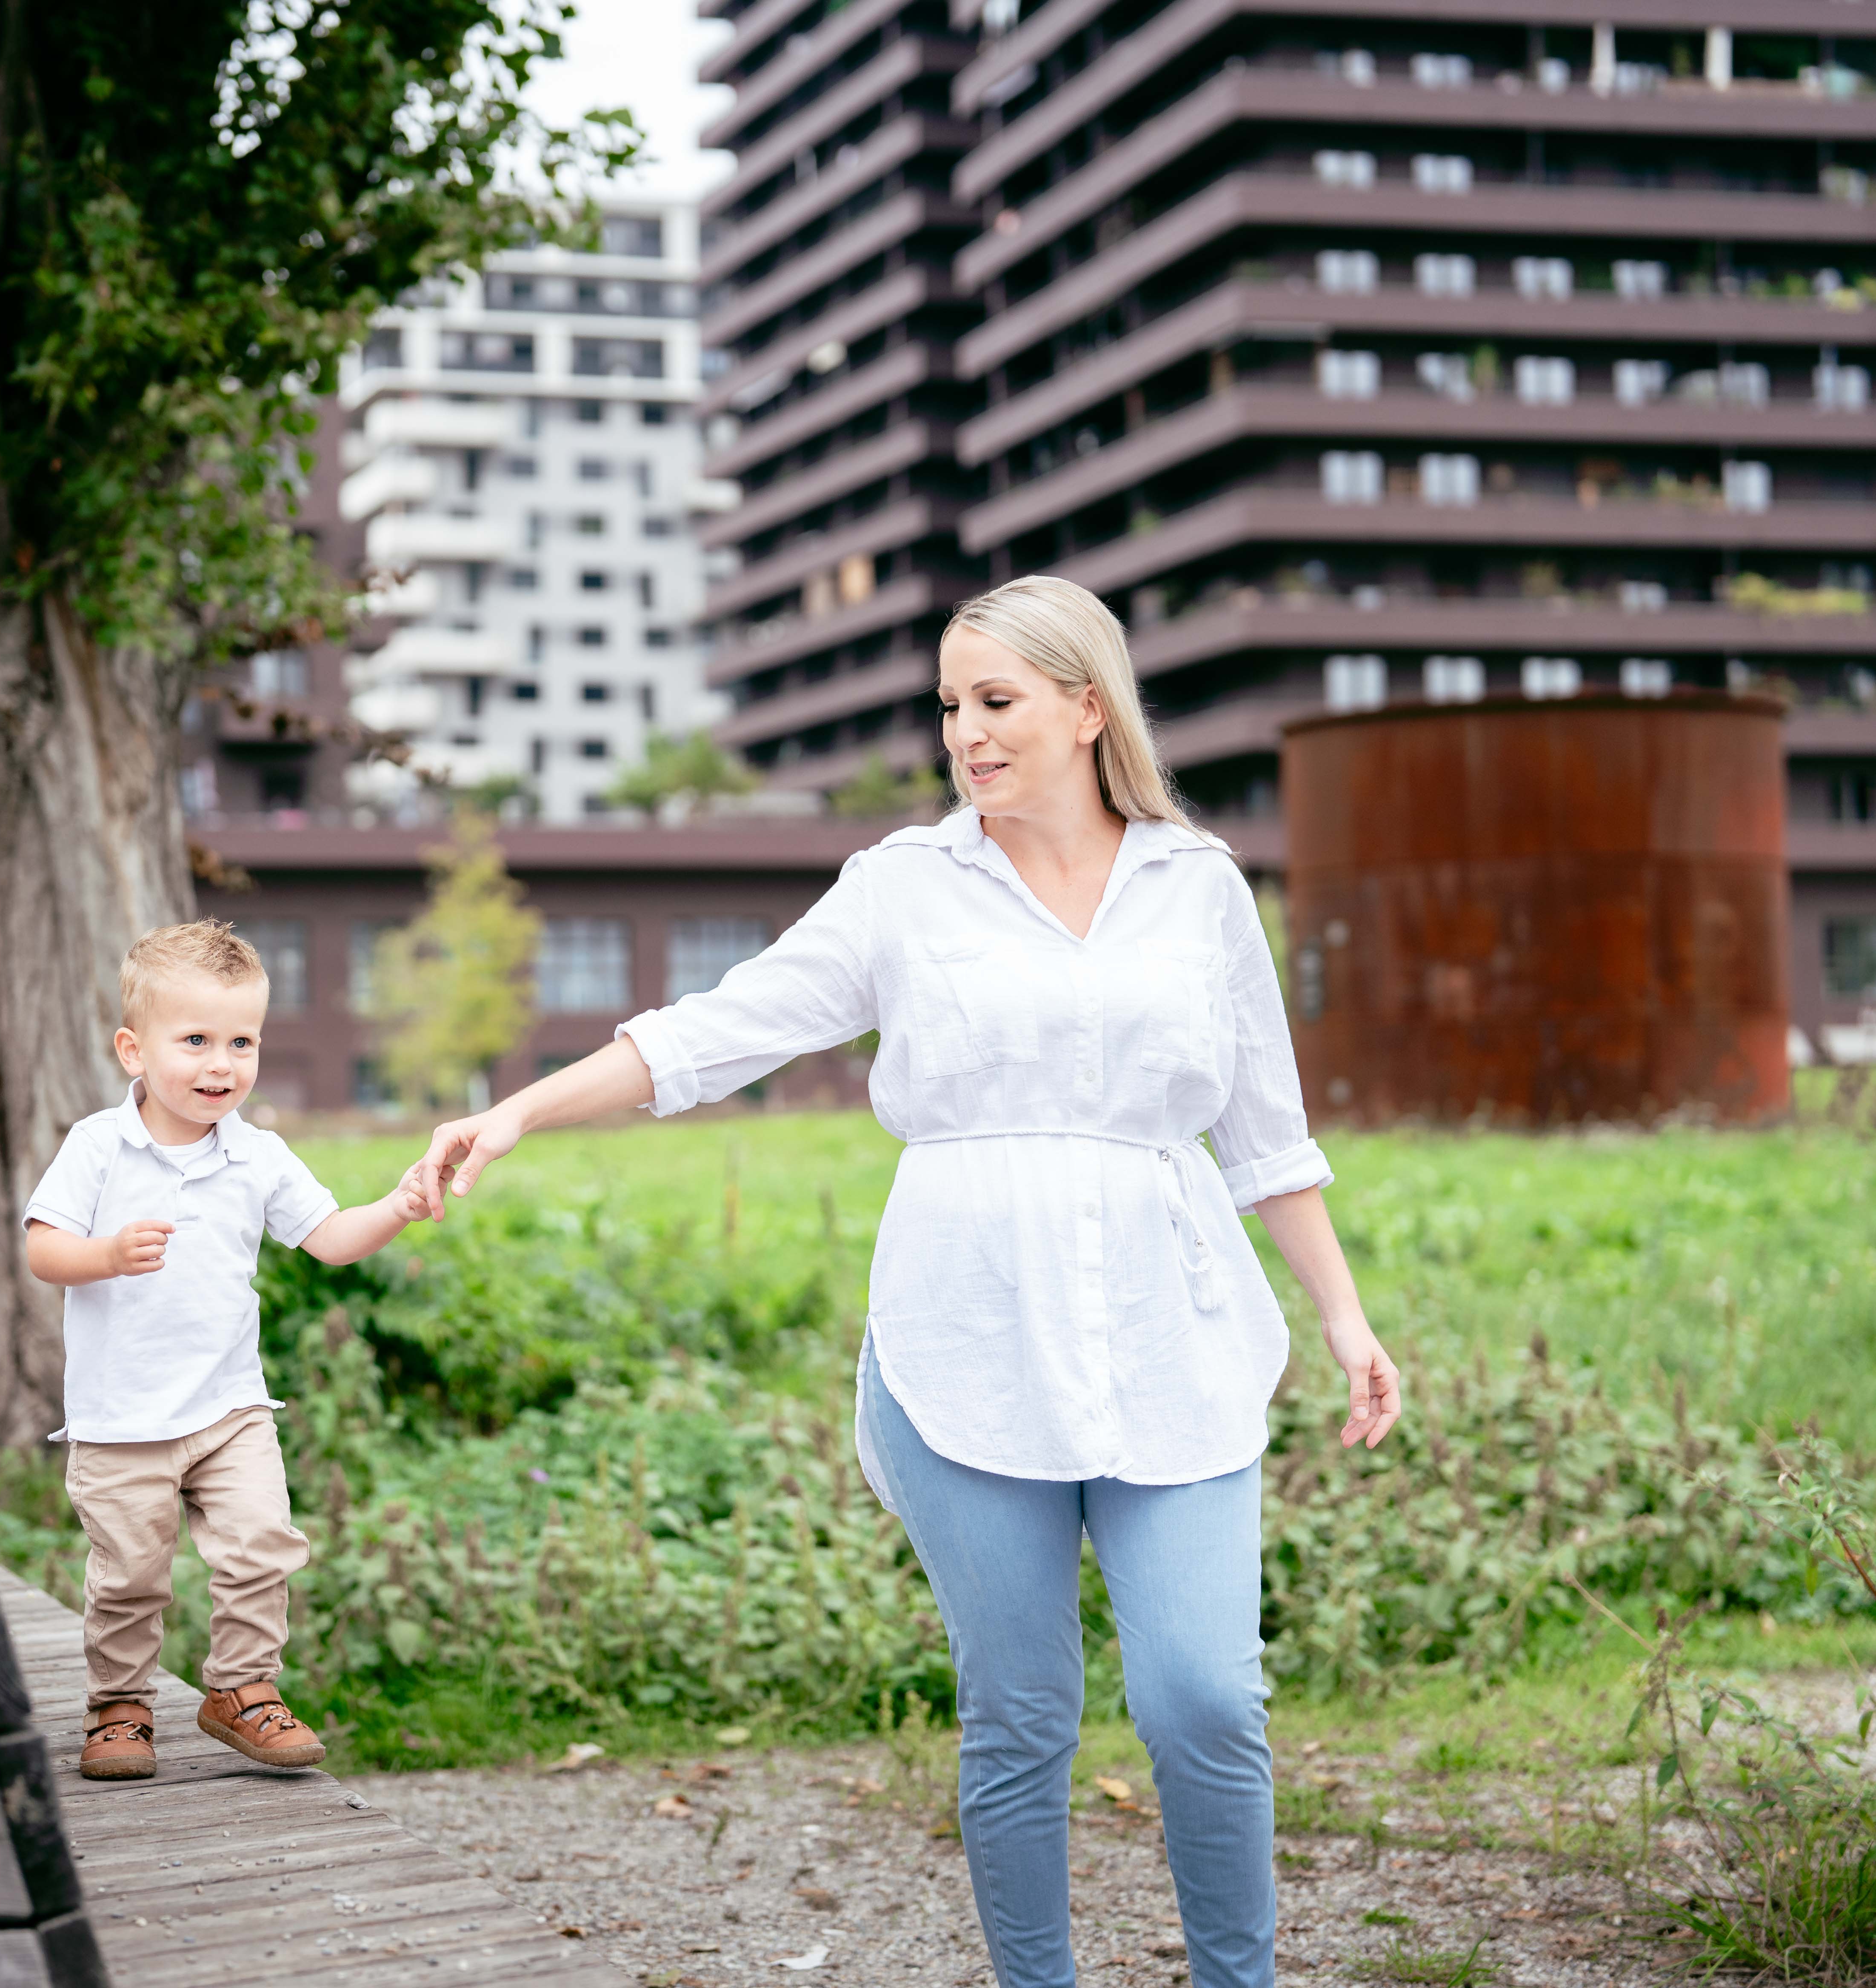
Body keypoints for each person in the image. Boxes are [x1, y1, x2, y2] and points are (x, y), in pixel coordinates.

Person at [406, 576, 1400, 1988]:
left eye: (993, 702)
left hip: (1171, 1330)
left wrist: (1342, 1314)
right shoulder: (903, 888)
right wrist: (513, 1112)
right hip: (965, 1332)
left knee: (1204, 1699)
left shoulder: (1196, 888)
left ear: (1083, 704)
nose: (965, 735)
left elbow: (1263, 1131)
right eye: (949, 707)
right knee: (1019, 1712)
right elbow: (715, 1032)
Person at [24, 920, 433, 1781]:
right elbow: (43, 1248)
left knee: (260, 1543)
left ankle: (243, 1688)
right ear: (134, 1049)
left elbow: (328, 1237)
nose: (222, 1063)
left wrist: (397, 1203)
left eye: (241, 1041)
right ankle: (121, 1704)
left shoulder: (257, 1154)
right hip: (120, 1415)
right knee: (131, 1574)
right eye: (197, 1040)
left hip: (228, 1407)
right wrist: (104, 1255)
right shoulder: (99, 1145)